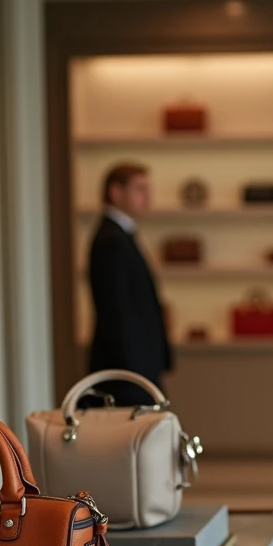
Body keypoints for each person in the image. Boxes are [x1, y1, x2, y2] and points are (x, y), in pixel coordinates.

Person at [86, 162, 172, 408]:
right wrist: (134, 373)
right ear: (116, 192)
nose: (148, 197)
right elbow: (117, 312)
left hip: (136, 368)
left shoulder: (121, 235)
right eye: (140, 189)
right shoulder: (111, 240)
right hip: (126, 373)